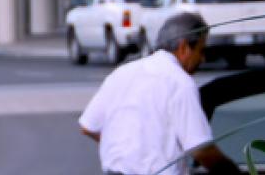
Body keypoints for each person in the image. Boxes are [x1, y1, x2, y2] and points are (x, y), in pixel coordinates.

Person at [79, 13, 243, 175]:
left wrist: (129, 151)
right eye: (201, 50)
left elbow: (88, 126)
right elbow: (201, 150)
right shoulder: (180, 82)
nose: (202, 59)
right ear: (184, 47)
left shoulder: (121, 73)